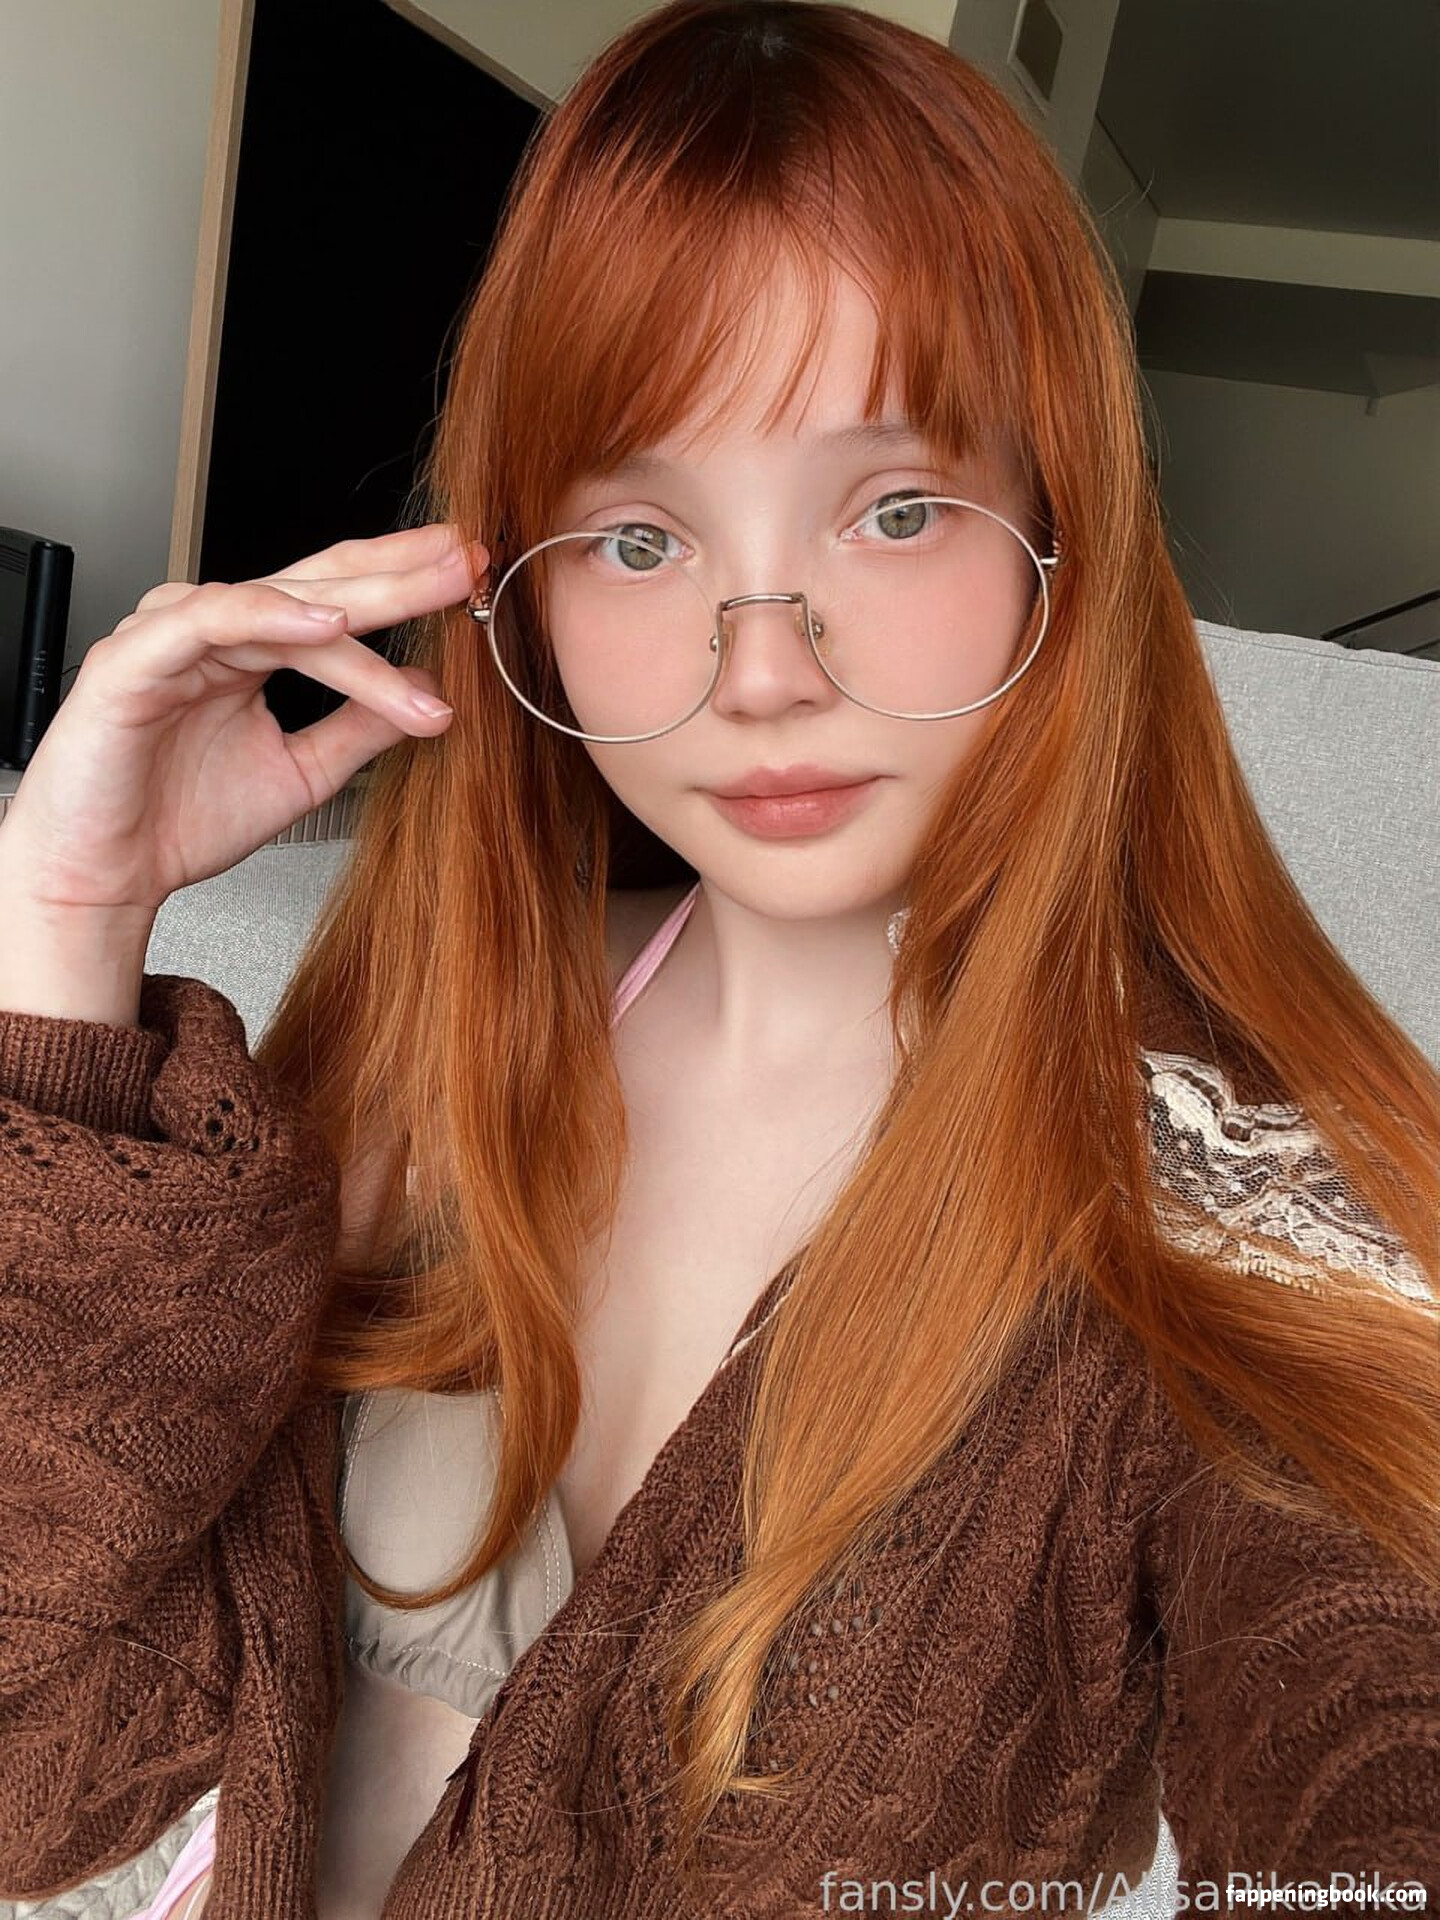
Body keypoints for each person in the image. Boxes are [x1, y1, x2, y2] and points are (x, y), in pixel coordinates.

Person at [0, 3, 1436, 1917]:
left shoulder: (1224, 1198)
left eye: (896, 510)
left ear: (1061, 540)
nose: (762, 672)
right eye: (638, 539)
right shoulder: (440, 1047)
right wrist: (68, 927)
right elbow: (43, 1771)